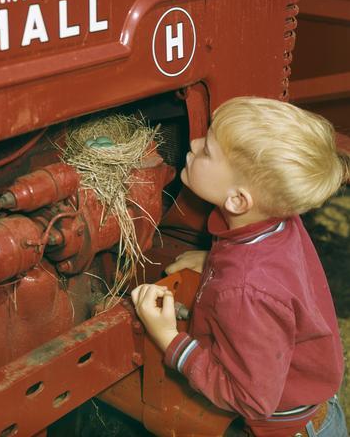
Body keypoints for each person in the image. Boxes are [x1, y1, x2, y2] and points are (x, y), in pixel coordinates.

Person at [131, 97, 349, 437]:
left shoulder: (247, 291)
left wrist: (169, 339)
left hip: (284, 428)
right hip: (311, 406)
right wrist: (214, 264)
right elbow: (281, 276)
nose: (194, 143)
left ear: (237, 199)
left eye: (207, 151)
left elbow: (250, 399)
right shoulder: (278, 223)